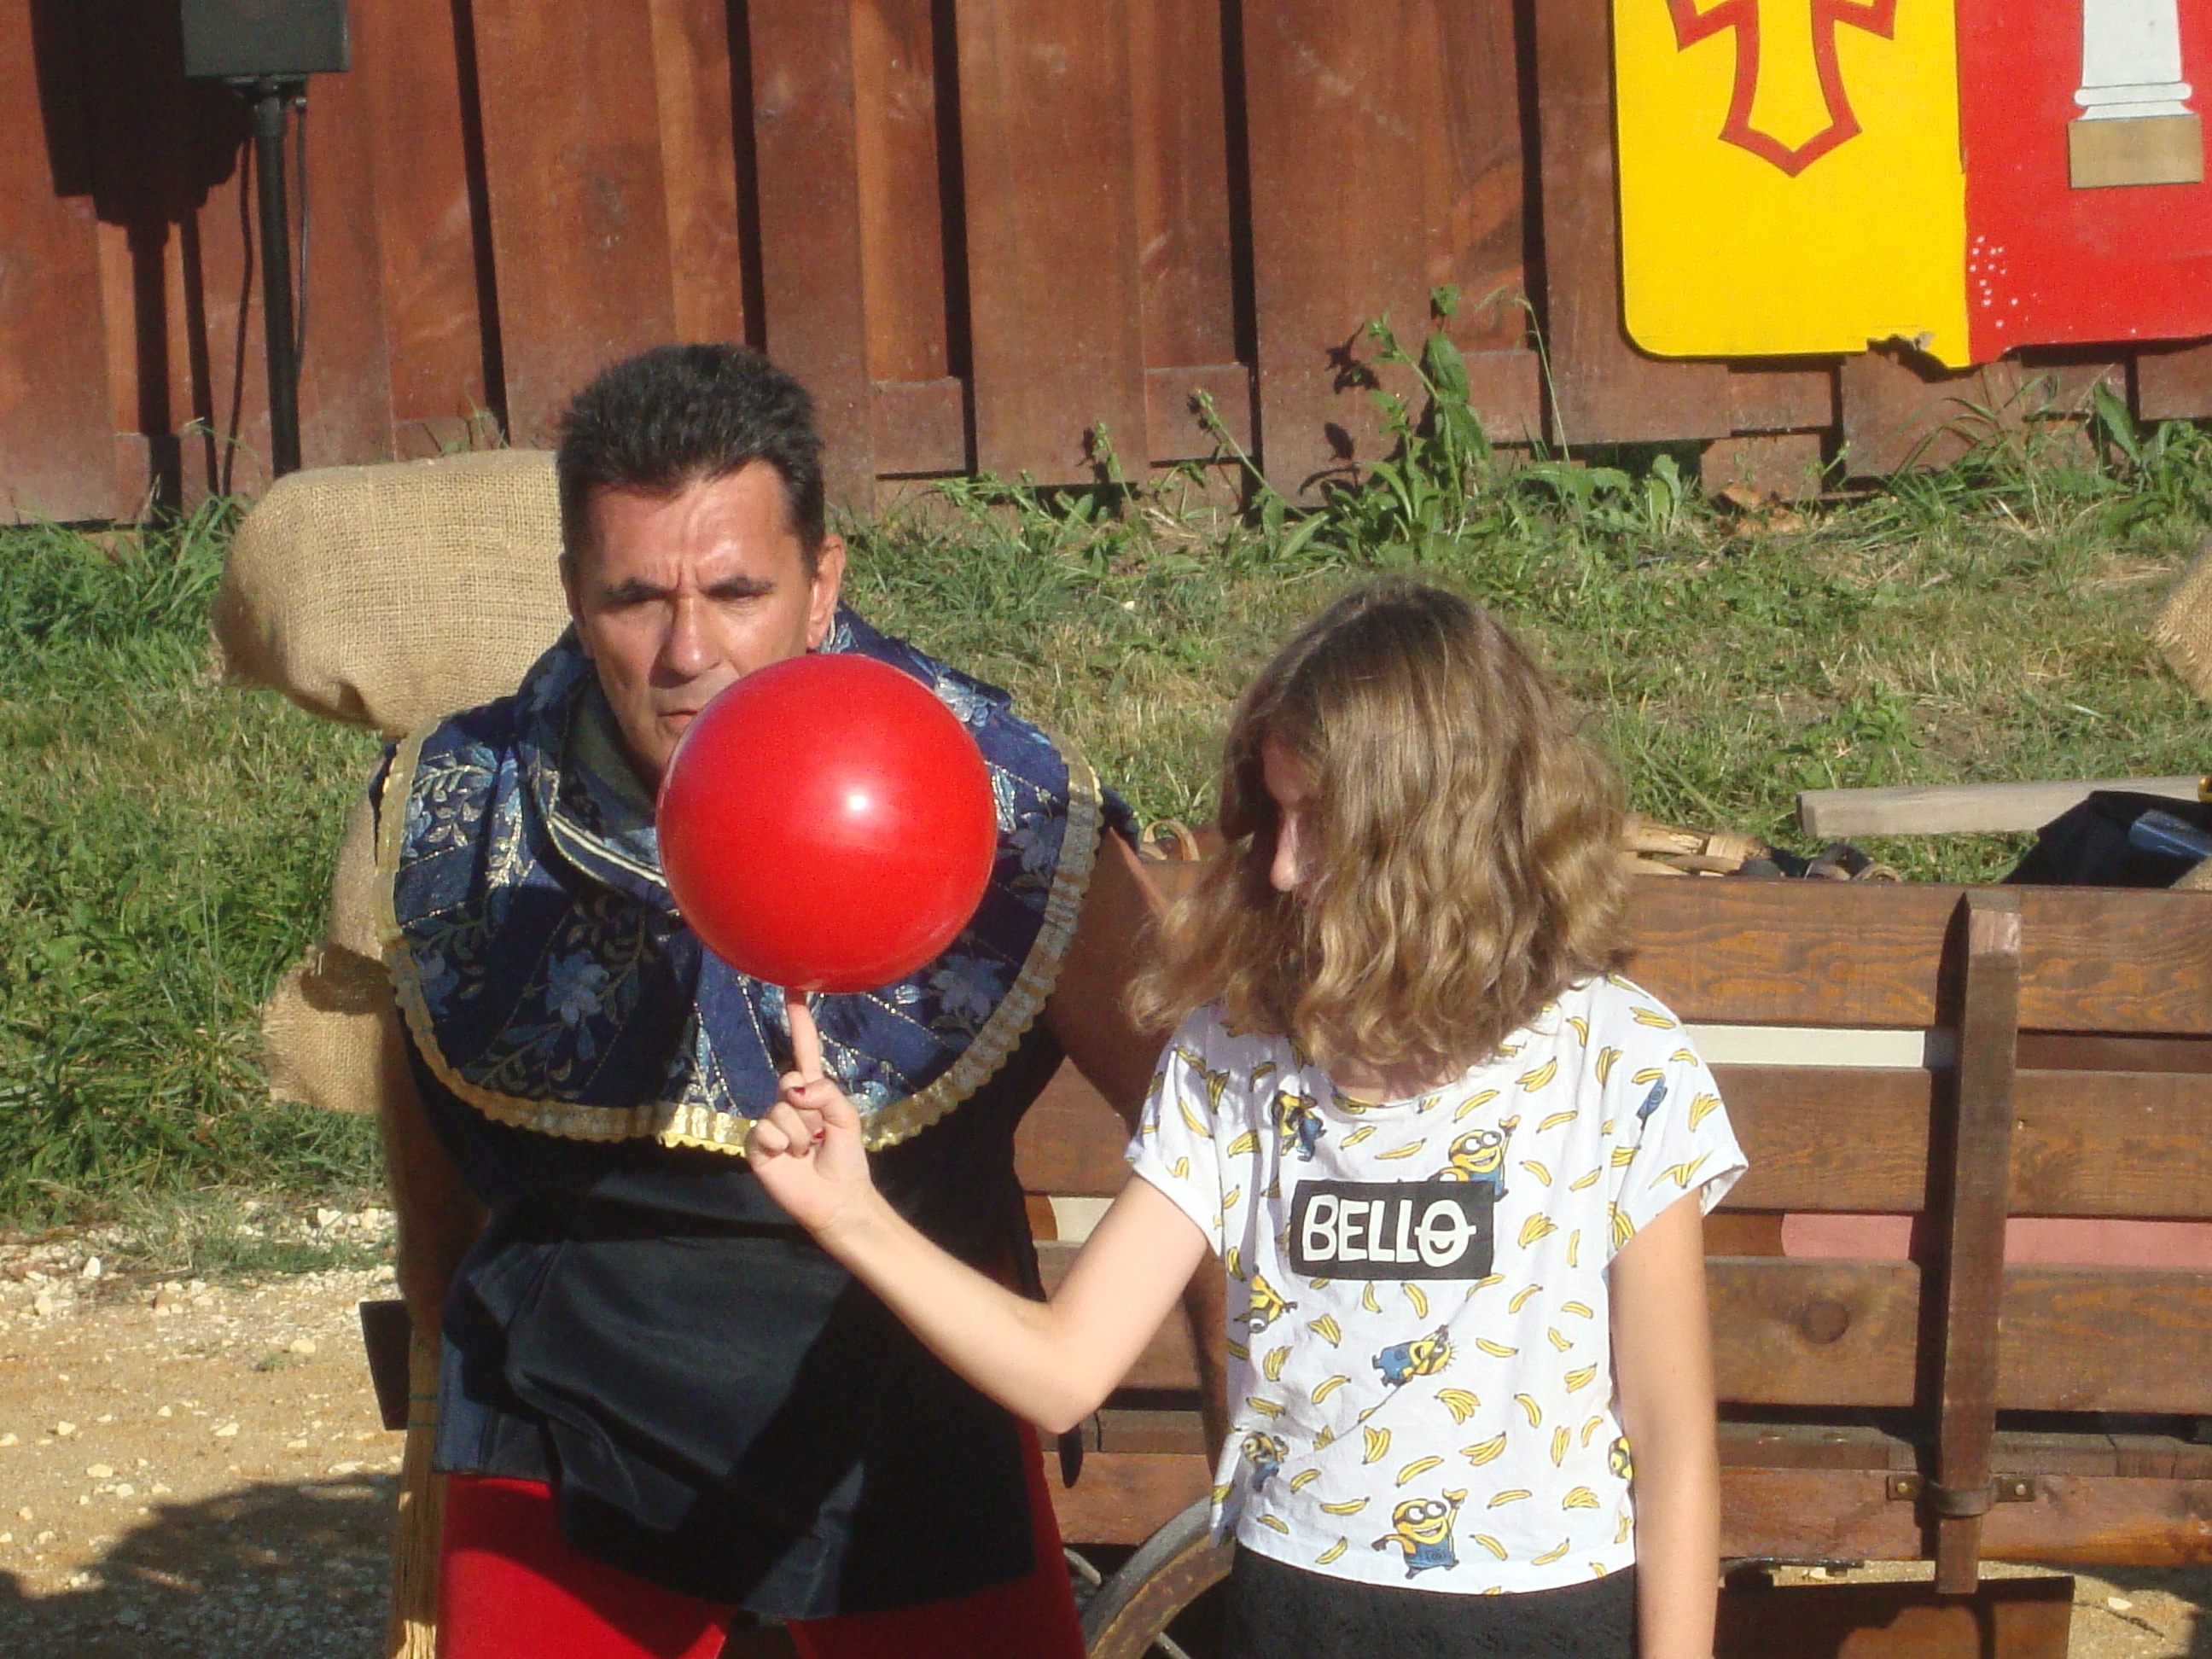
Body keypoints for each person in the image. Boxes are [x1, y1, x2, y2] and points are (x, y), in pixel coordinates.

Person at [749, 578, 1749, 1659]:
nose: (1279, 863)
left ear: (1435, 830)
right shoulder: (1237, 1059)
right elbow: (1065, 1369)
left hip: (1555, 1619)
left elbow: (1673, 1439)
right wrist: (853, 1218)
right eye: (1272, 814)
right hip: (1295, 1610)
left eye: (1319, 822)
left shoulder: (1616, 1060)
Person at [369, 343, 1177, 1659]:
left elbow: (1211, 1120)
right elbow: (434, 1145)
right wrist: (432, 1360)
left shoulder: (1008, 809)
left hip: (908, 1420)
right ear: (573, 593)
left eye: (737, 592)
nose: (688, 652)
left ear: (822, 587)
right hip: (570, 1426)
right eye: (635, 598)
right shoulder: (464, 816)